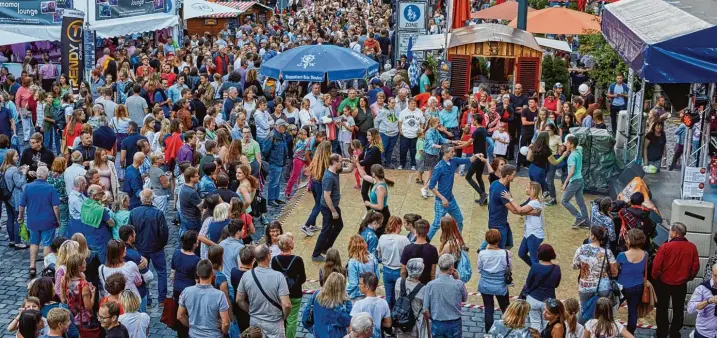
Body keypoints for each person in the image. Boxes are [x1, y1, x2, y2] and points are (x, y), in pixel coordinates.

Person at [652, 222, 700, 338]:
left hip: (664, 283)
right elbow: (695, 266)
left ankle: (662, 332)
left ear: (675, 233)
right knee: (678, 309)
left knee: (662, 308)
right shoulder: (692, 247)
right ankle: (674, 331)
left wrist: (656, 277)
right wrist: (689, 277)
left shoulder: (665, 247)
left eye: (670, 231)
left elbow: (657, 266)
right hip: (681, 284)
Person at [236, 244, 292, 338]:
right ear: (269, 256)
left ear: (255, 258)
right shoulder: (278, 276)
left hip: (255, 322)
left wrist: (250, 311)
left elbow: (239, 300)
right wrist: (284, 316)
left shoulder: (246, 275)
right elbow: (286, 304)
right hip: (274, 324)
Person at [426, 144, 478, 241]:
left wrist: (477, 155)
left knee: (459, 220)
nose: (454, 153)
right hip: (441, 202)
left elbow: (469, 160)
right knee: (436, 225)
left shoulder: (453, 161)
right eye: (452, 152)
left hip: (451, 199)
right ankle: (423, 244)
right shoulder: (439, 167)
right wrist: (443, 199)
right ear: (445, 153)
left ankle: (458, 241)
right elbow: (431, 186)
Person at [311, 153, 355, 262]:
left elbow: (349, 170)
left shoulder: (336, 171)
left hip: (333, 206)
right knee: (326, 229)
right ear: (334, 163)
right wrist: (333, 211)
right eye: (340, 162)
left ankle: (326, 248)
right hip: (328, 208)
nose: (342, 163)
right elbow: (326, 196)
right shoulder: (329, 177)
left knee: (339, 225)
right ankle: (316, 254)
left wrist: (353, 162)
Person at [18, 165, 60, 277]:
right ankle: (46, 267)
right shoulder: (50, 188)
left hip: (33, 221)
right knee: (47, 244)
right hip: (48, 221)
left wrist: (20, 216)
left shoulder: (28, 187)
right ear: (46, 175)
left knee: (34, 243)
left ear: (37, 174)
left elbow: (21, 205)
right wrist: (58, 220)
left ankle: (32, 266)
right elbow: (56, 207)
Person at [128, 189, 168, 305]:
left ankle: (147, 299)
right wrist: (161, 245)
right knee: (161, 272)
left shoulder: (134, 212)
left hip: (140, 248)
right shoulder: (158, 213)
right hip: (156, 248)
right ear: (152, 198)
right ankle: (162, 299)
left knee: (142, 273)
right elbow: (164, 233)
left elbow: (130, 230)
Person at [572, 226, 618, 324]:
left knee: (584, 311)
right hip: (603, 287)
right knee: (602, 313)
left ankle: (583, 332)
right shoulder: (607, 252)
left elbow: (575, 266)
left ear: (593, 236)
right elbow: (615, 272)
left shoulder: (581, 249)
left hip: (585, 286)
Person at [177, 259, 231, 337]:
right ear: (212, 273)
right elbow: (226, 323)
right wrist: (224, 332)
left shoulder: (186, 292)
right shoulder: (219, 295)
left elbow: (180, 316)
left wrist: (193, 326)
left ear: (197, 273)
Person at [271, 233, 306, 338]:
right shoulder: (298, 259)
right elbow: (303, 278)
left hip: (280, 294)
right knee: (292, 319)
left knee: (281, 317)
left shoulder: (275, 260)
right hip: (295, 294)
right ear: (290, 245)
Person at [423, 253, 467, 338]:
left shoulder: (430, 285)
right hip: (454, 323)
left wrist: (432, 319)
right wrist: (458, 279)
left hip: (437, 322)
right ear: (451, 267)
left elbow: (425, 310)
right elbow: (464, 298)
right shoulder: (458, 284)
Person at [478, 229, 512, 333]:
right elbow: (509, 268)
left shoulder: (482, 253)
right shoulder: (506, 253)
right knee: (505, 308)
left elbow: (479, 269)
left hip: (485, 285)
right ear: (499, 240)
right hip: (500, 286)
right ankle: (509, 329)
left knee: (488, 309)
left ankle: (488, 332)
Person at [615, 229, 647, 334]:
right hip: (637, 286)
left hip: (621, 287)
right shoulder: (645, 254)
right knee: (633, 312)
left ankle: (608, 329)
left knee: (613, 309)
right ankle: (630, 333)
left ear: (630, 240)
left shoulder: (621, 255)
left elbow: (615, 271)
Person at [524, 244, 561, 330]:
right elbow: (556, 285)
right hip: (548, 302)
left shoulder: (535, 267)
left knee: (534, 324)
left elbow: (528, 283)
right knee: (547, 324)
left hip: (533, 299)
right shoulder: (557, 268)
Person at [171, 230, 201, 338]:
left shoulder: (176, 253)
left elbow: (172, 273)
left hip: (177, 290)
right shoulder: (196, 260)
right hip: (189, 292)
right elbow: (197, 281)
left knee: (179, 314)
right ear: (194, 244)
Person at [378, 216, 411, 309]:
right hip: (399, 270)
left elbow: (379, 254)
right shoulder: (403, 239)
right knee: (400, 296)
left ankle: (388, 316)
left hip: (386, 270)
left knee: (388, 296)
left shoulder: (382, 238)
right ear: (398, 225)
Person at [310, 272, 353, 338]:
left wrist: (313, 330)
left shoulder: (316, 295)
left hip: (319, 334)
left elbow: (306, 317)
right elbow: (348, 321)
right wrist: (348, 300)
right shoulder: (337, 311)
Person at [350, 272, 392, 338]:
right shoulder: (384, 302)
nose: (359, 286)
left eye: (361, 284)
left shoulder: (359, 304)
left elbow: (351, 328)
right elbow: (388, 324)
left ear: (367, 287)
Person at [1, 149, 28, 249]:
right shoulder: (14, 170)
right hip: (16, 197)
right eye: (16, 156)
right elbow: (19, 183)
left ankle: (12, 240)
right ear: (11, 158)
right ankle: (18, 241)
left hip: (7, 197)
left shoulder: (4, 168)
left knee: (10, 218)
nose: (18, 157)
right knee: (18, 219)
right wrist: (24, 173)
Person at [562, 134, 588, 228]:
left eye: (568, 143)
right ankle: (586, 222)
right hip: (580, 179)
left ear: (572, 145)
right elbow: (579, 146)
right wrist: (568, 149)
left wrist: (565, 182)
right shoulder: (579, 150)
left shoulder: (572, 156)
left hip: (574, 181)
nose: (566, 144)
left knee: (564, 201)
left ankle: (579, 217)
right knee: (580, 202)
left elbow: (572, 171)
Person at [263, 119, 289, 207]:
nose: (285, 128)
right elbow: (265, 150)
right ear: (278, 126)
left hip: (281, 161)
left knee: (278, 182)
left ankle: (276, 198)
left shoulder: (282, 135)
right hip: (274, 162)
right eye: (283, 126)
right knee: (273, 181)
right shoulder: (272, 136)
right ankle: (271, 199)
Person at [346, 235, 380, 301]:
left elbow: (353, 284)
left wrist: (345, 292)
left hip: (357, 296)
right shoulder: (372, 258)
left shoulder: (353, 262)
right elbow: (377, 277)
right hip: (370, 293)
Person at [687, 264, 717, 338]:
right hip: (704, 332)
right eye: (716, 276)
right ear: (712, 274)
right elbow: (690, 309)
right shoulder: (702, 288)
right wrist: (708, 301)